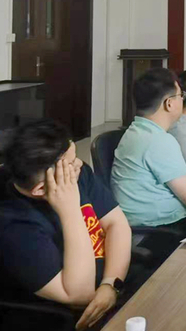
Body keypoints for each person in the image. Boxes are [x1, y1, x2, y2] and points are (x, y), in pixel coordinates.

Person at [0, 120, 131, 330]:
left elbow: (117, 224)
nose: (79, 164)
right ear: (41, 189)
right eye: (70, 164)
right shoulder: (15, 227)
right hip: (70, 317)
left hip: (112, 283)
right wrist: (69, 210)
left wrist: (111, 284)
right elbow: (81, 295)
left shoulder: (77, 175)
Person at [111, 68, 186, 245]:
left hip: (149, 227)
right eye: (180, 95)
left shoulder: (137, 131)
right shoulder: (158, 141)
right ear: (169, 103)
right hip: (158, 233)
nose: (182, 100)